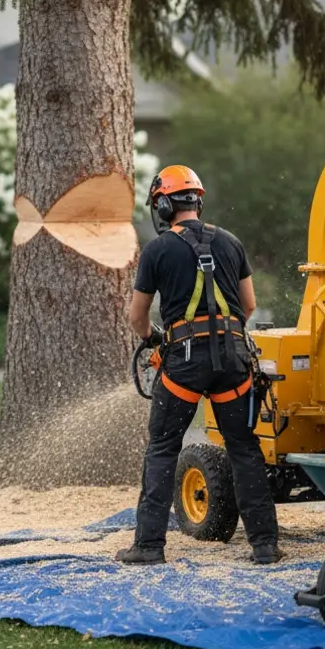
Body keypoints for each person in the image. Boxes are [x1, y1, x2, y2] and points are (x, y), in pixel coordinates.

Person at [115, 165, 280, 566]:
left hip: (184, 365)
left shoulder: (157, 250)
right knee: (243, 449)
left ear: (165, 204)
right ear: (198, 201)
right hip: (233, 359)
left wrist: (153, 338)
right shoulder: (231, 243)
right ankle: (264, 545)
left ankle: (149, 547)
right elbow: (249, 306)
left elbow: (137, 317)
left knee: (163, 449)